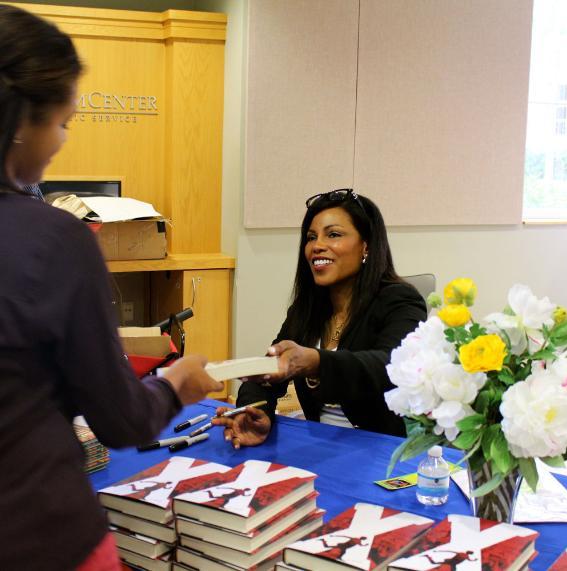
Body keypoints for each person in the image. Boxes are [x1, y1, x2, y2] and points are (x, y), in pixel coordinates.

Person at [0, 5, 222, 570]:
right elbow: (122, 422)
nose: (60, 143)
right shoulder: (54, 239)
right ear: (21, 119)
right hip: (41, 535)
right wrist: (175, 384)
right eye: (62, 122)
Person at [213, 189, 426, 448]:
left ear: (366, 245)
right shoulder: (308, 307)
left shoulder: (400, 299)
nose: (317, 246)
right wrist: (254, 412)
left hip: (381, 453)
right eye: (311, 237)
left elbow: (387, 368)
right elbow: (269, 372)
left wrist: (316, 362)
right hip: (323, 447)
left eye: (333, 234)